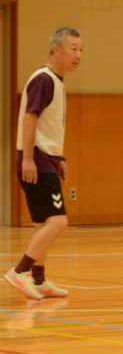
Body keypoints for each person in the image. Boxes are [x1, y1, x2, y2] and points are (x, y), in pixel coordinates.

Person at [5, 27, 83, 301]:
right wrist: (28, 158)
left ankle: (39, 280)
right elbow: (29, 118)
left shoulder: (56, 82)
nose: (78, 55)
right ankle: (20, 271)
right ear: (56, 50)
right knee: (58, 221)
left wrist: (59, 158)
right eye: (73, 49)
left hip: (45, 158)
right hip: (36, 159)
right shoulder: (44, 80)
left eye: (81, 50)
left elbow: (48, 127)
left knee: (43, 223)